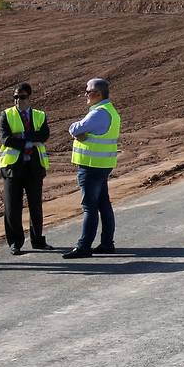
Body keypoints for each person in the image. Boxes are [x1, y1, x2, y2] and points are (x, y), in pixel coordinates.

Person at [63, 77, 120, 259]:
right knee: (103, 204)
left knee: (89, 207)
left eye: (87, 92)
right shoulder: (109, 111)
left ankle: (84, 246)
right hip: (103, 165)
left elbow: (74, 129)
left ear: (97, 93)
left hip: (91, 166)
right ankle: (106, 243)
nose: (85, 95)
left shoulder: (99, 113)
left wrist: (78, 130)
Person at [0, 82, 51, 255]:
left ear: (29, 97)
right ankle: (15, 242)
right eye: (15, 97)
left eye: (21, 97)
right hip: (13, 167)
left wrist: (21, 136)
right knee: (12, 207)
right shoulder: (6, 115)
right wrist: (30, 140)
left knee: (35, 205)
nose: (17, 101)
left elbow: (44, 136)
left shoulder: (40, 115)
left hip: (34, 166)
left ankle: (38, 240)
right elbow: (6, 139)